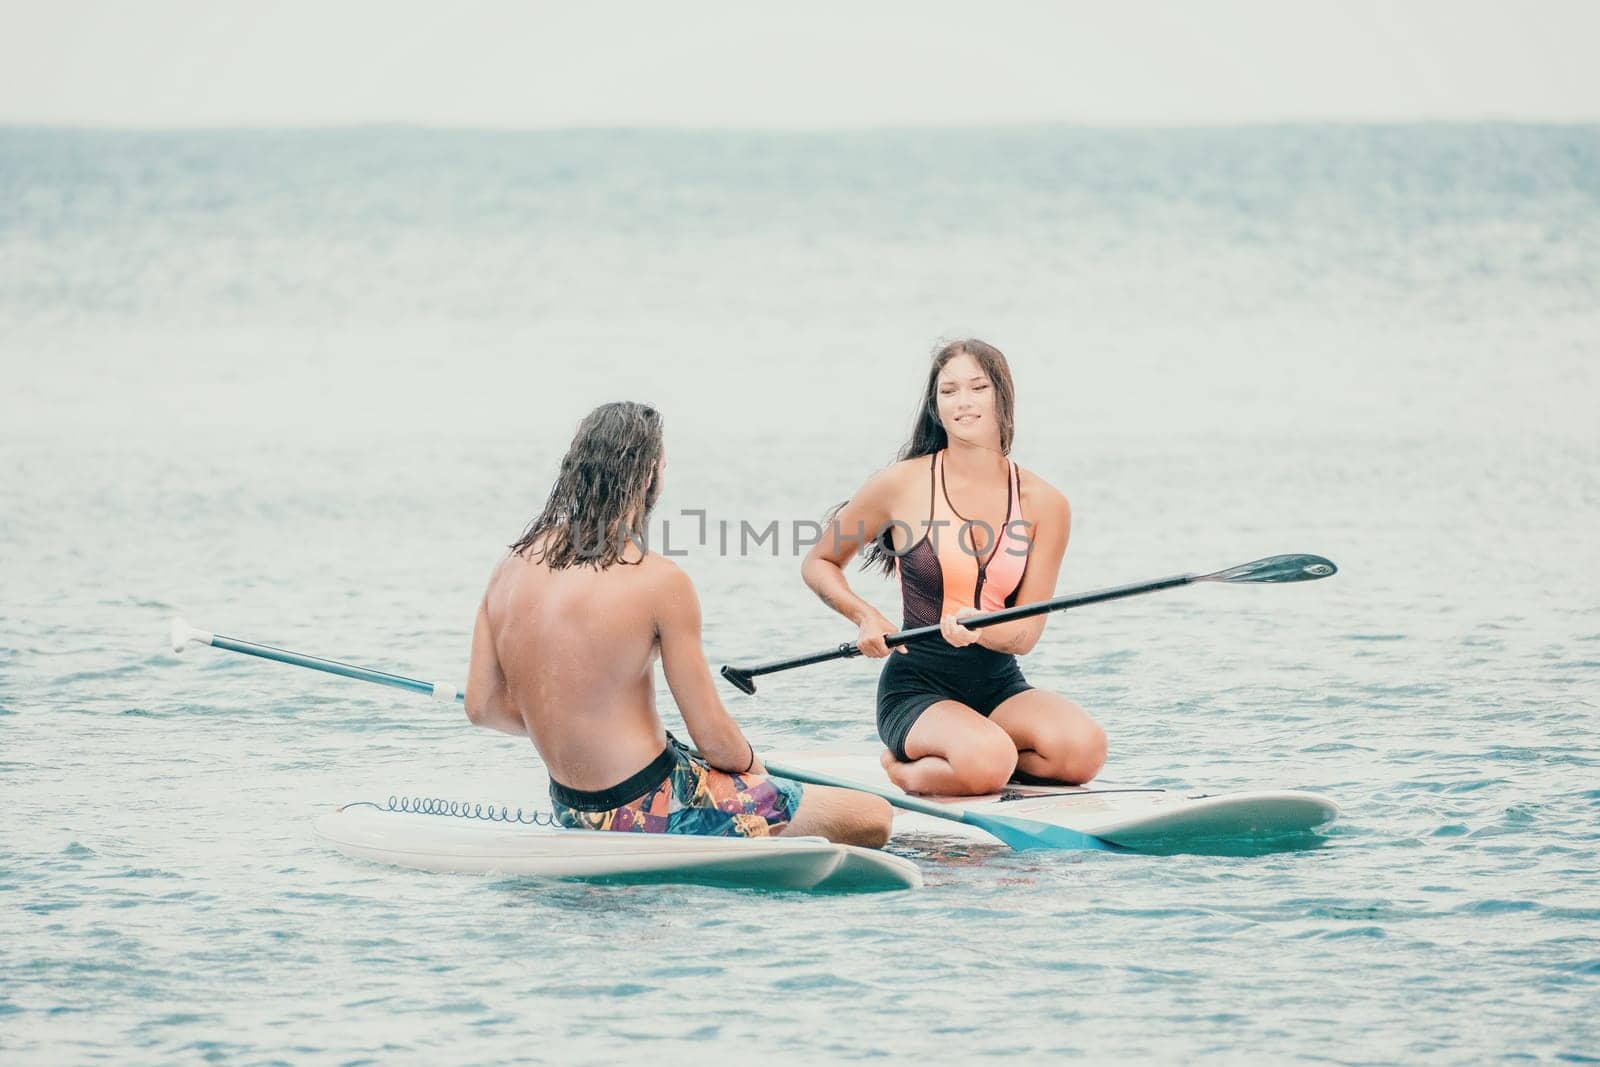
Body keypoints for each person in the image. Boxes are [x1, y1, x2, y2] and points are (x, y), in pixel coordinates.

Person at [465, 401, 891, 847]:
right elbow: (714, 740)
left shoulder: (509, 567)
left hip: (572, 808)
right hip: (655, 804)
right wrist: (753, 773)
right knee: (872, 816)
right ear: (650, 475)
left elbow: (482, 707)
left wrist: (568, 721)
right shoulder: (658, 580)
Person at [801, 340, 1107, 796]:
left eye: (978, 388)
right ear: (935, 407)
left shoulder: (1047, 504)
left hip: (999, 685)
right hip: (917, 687)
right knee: (988, 760)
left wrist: (979, 629)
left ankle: (978, 754)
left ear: (1002, 398)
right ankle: (907, 770)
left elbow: (1025, 636)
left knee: (1084, 751)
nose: (963, 402)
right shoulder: (900, 485)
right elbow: (820, 562)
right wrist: (864, 615)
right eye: (949, 392)